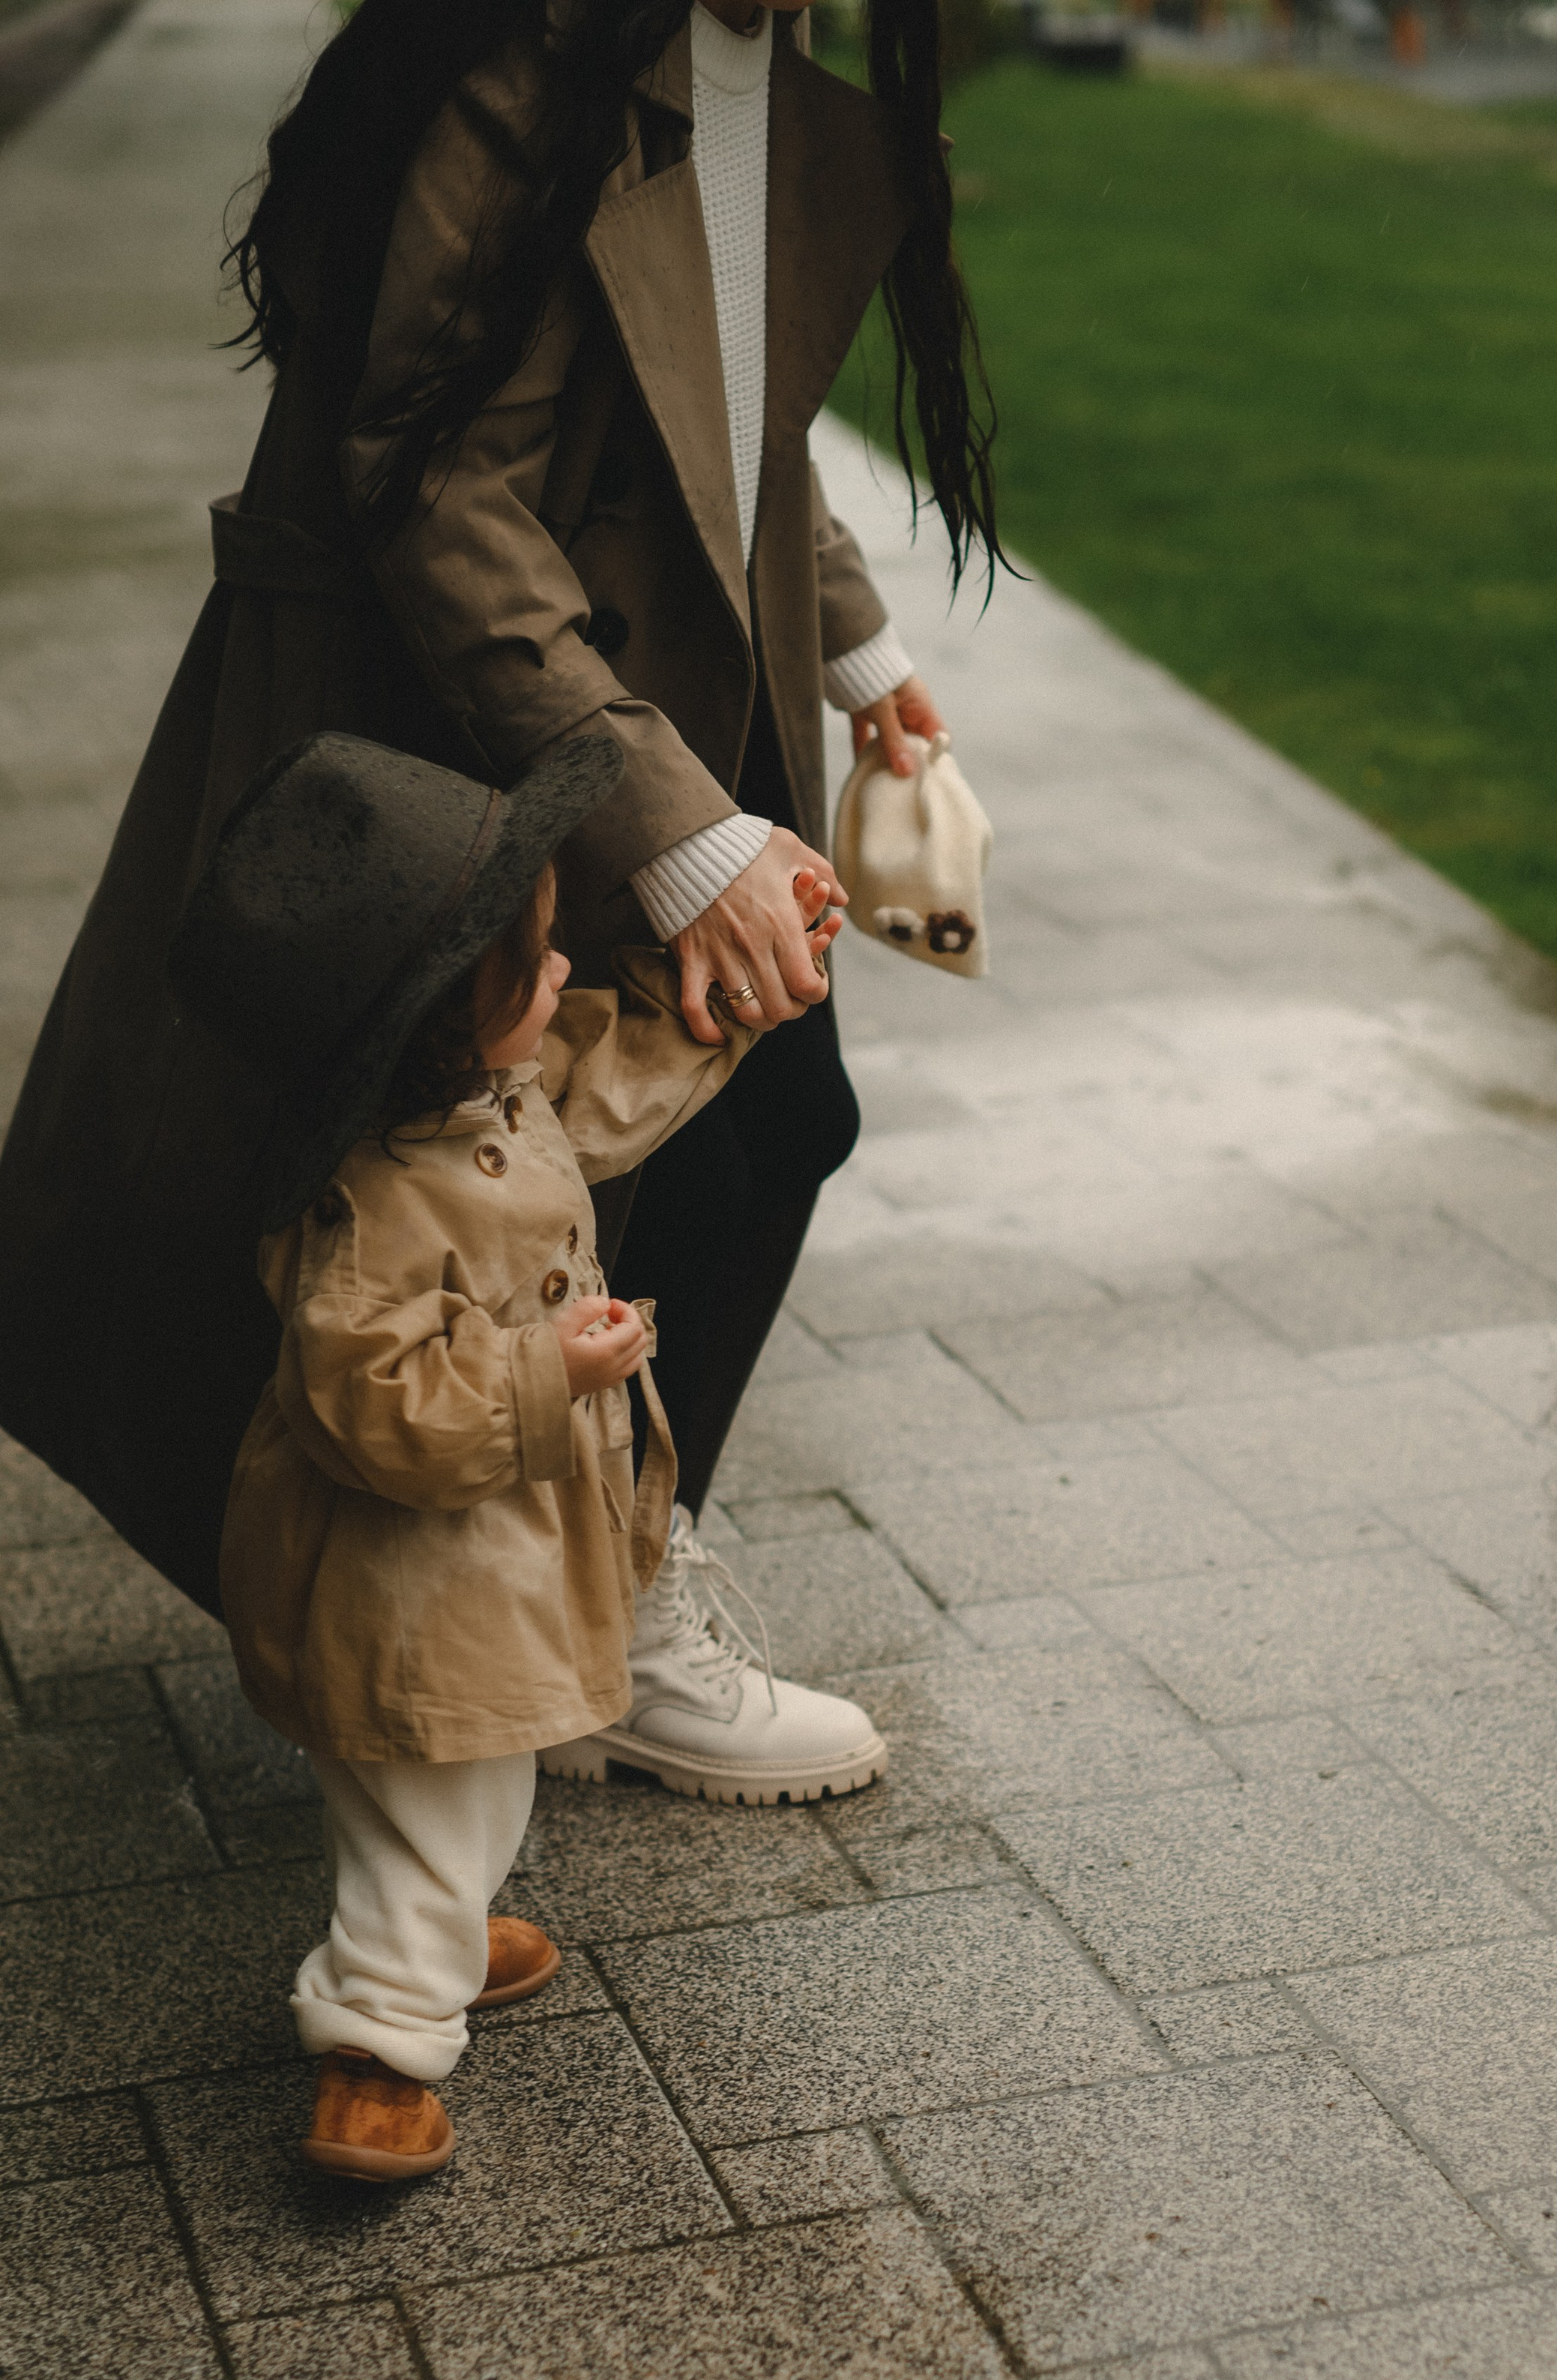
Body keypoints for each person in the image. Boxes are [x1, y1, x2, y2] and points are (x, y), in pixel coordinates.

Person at [0, 0, 1002, 1807]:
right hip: (481, 731)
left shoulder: (762, 77)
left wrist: (854, 645)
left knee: (751, 1127)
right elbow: (436, 472)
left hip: (662, 704)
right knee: (508, 1178)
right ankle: (566, 1633)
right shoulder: (529, 67)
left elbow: (724, 425)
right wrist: (681, 842)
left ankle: (584, 1598)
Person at [169, 727, 811, 2180]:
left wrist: (724, 1009)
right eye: (531, 970)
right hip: (407, 1582)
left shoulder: (485, 1095)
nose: (562, 984)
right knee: (427, 1789)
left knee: (461, 1781)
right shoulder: (367, 1213)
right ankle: (378, 2047)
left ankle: (435, 1936)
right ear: (428, 1034)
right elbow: (370, 1396)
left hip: (479, 1570)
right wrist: (540, 1372)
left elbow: (599, 1080)